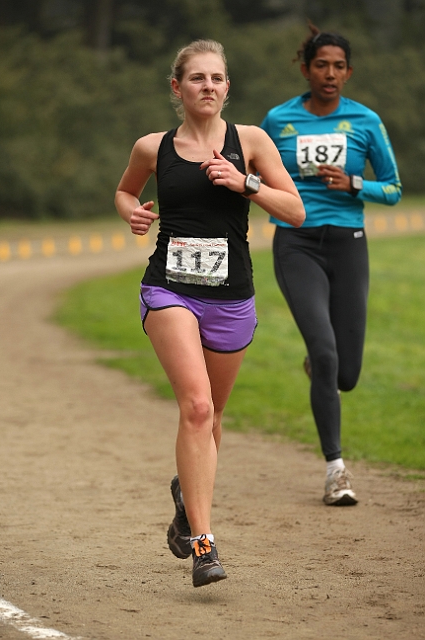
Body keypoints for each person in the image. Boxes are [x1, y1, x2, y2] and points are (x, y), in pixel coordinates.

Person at [115, 39, 305, 587]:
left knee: (215, 417)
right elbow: (125, 192)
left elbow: (294, 210)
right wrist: (135, 213)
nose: (208, 87)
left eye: (217, 78)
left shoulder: (251, 142)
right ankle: (204, 545)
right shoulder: (154, 147)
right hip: (169, 290)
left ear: (227, 87)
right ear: (178, 88)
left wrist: (245, 183)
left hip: (231, 296)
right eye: (197, 78)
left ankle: (186, 498)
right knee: (196, 408)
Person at [261, 23, 402, 506]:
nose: (330, 73)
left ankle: (323, 368)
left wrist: (355, 185)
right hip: (296, 244)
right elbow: (258, 180)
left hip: (348, 244)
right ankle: (336, 471)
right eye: (321, 64)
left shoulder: (365, 121)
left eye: (339, 66)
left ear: (349, 72)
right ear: (306, 69)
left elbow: (394, 188)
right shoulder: (278, 121)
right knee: (325, 353)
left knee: (346, 374)